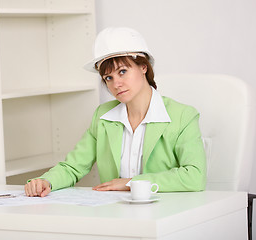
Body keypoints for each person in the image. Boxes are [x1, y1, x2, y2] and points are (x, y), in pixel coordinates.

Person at [24, 27, 206, 197]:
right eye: (108, 77)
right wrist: (45, 181)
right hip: (116, 212)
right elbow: (73, 167)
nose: (115, 84)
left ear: (143, 67)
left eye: (123, 71)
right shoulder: (103, 116)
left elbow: (195, 176)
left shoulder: (183, 116)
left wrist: (131, 183)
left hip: (166, 214)